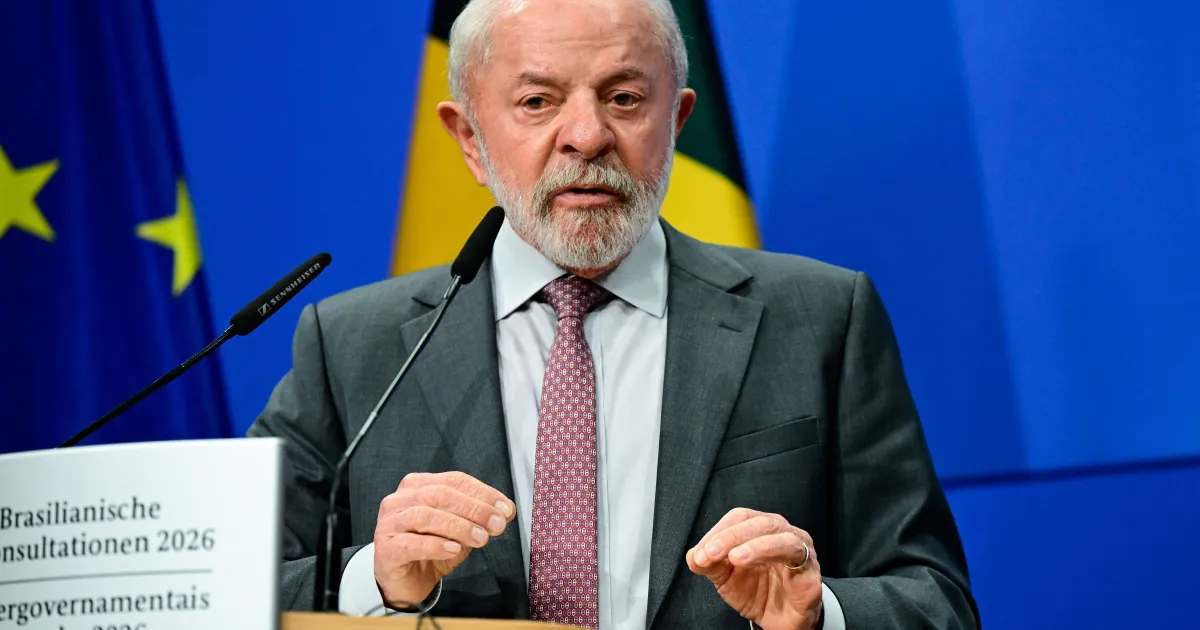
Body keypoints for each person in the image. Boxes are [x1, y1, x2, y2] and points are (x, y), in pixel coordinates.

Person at [247, 0, 979, 628]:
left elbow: (936, 601)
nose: (588, 136)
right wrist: (374, 580)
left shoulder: (821, 317)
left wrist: (819, 614)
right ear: (469, 138)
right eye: (537, 102)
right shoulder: (352, 346)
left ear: (677, 118)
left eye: (624, 98)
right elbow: (227, 587)